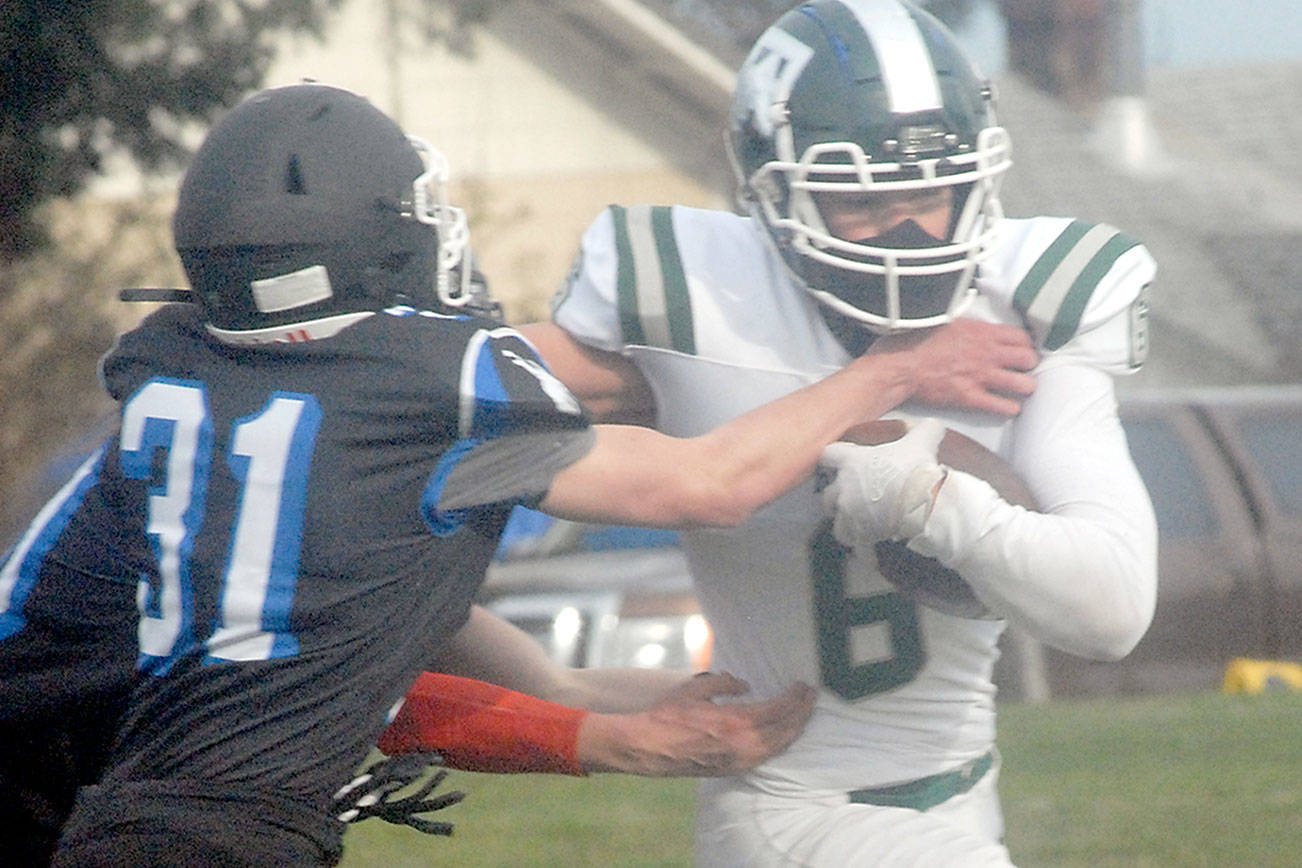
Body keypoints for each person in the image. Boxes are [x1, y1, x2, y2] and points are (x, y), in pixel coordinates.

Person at [0, 79, 1035, 866]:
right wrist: (891, 367)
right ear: (387, 248)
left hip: (94, 808)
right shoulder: (421, 381)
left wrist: (602, 708)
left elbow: (355, 612)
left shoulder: (180, 370)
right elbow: (708, 482)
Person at [517, 1, 1158, 864]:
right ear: (774, 189)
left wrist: (933, 502)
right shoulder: (697, 292)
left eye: (927, 191)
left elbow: (1111, 611)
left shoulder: (1035, 299)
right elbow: (449, 394)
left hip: (964, 793)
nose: (904, 229)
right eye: (862, 201)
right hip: (794, 800)